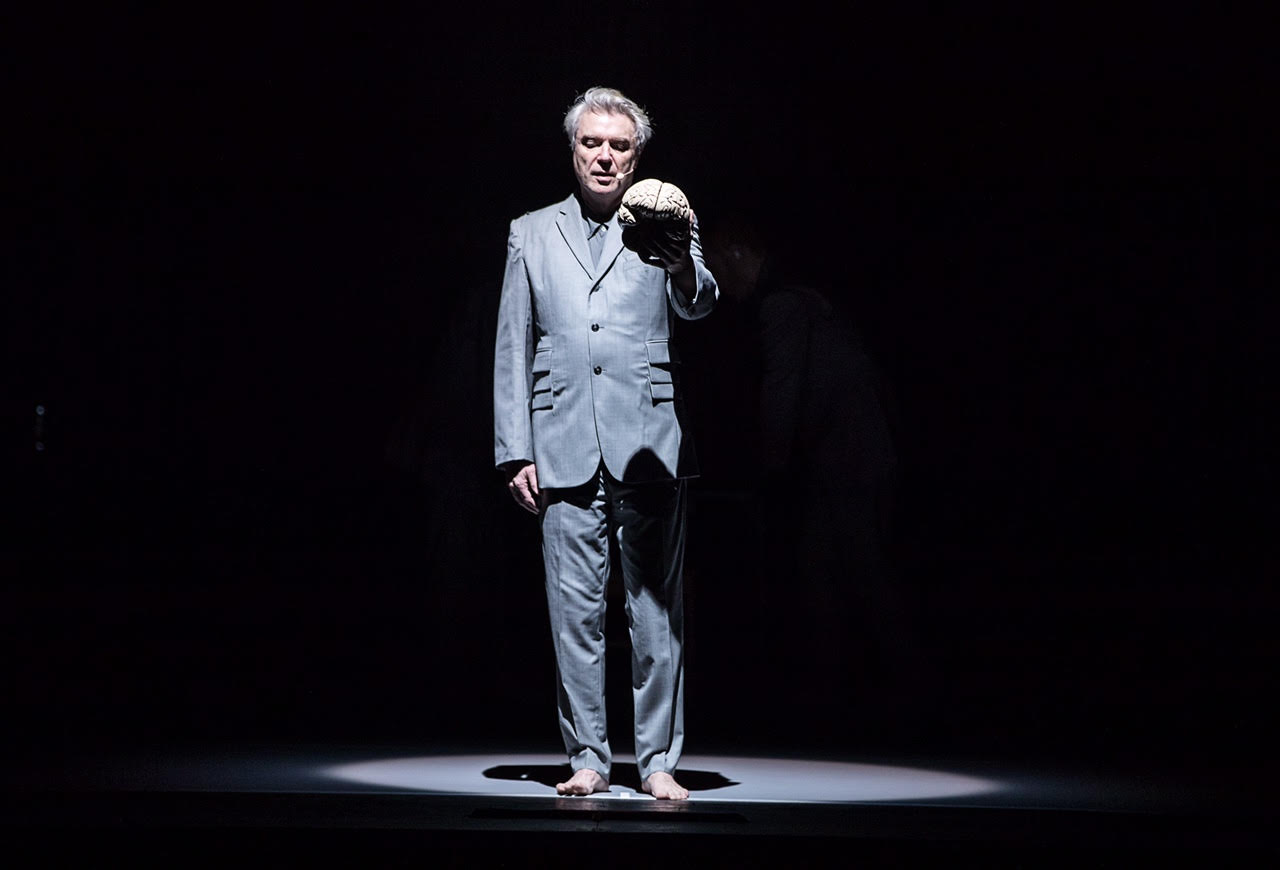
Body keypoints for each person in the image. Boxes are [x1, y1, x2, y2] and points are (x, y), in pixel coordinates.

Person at [492, 87, 718, 799]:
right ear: (573, 150)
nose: (604, 156)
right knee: (574, 614)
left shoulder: (664, 215)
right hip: (560, 435)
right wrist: (513, 448)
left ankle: (656, 762)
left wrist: (680, 263)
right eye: (592, 143)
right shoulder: (530, 232)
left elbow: (699, 302)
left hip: (648, 438)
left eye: (619, 146)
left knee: (656, 614)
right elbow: (512, 343)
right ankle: (588, 756)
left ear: (636, 156)